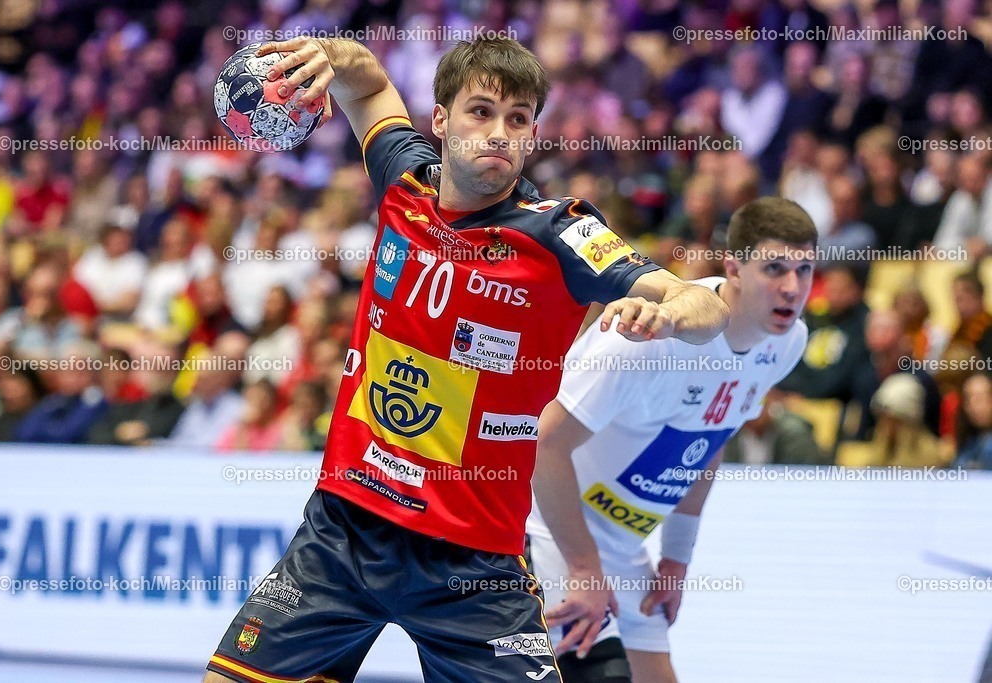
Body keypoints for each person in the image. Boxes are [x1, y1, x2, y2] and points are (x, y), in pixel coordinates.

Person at [203, 35, 729, 683]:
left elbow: (704, 307)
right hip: (344, 533)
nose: (499, 133)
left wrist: (669, 313)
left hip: (475, 567)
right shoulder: (405, 181)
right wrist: (328, 54)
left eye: (518, 119)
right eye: (481, 112)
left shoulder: (560, 232)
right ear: (442, 120)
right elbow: (369, 85)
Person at [528, 197, 816, 683]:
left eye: (804, 269)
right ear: (734, 268)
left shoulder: (787, 342)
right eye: (774, 268)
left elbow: (712, 439)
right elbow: (544, 445)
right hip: (548, 529)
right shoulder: (650, 339)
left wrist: (677, 559)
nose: (792, 287)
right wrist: (584, 567)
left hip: (621, 545)